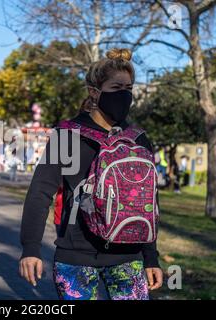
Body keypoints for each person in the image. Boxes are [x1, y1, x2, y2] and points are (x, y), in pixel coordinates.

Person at [19, 48, 163, 300]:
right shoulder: (68, 136)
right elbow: (40, 193)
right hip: (76, 257)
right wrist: (30, 248)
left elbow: (149, 203)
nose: (124, 95)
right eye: (116, 87)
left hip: (129, 257)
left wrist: (151, 257)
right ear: (94, 92)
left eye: (128, 88)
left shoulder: (138, 138)